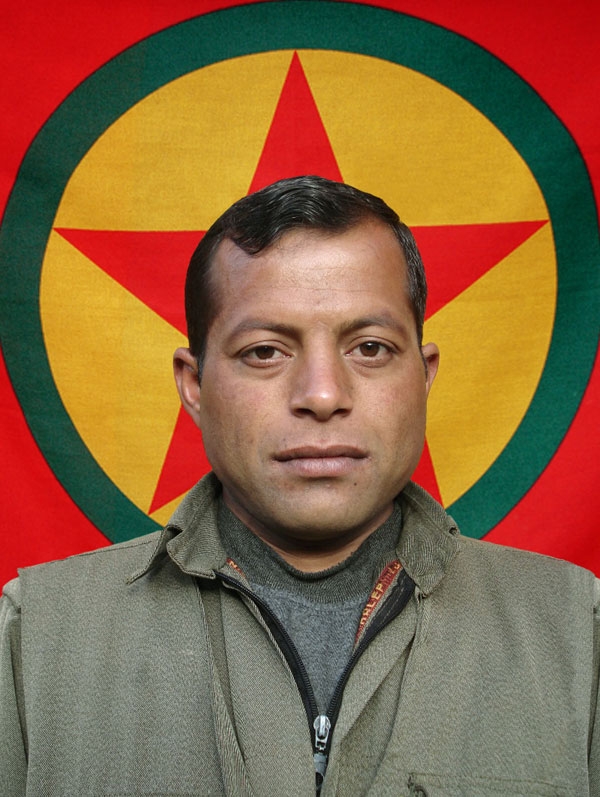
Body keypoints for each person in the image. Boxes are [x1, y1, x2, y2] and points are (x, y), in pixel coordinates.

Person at [1, 175, 598, 796]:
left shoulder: (579, 632)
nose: (322, 394)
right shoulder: (34, 638)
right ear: (195, 385)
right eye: (265, 352)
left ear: (423, 378)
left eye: (370, 348)